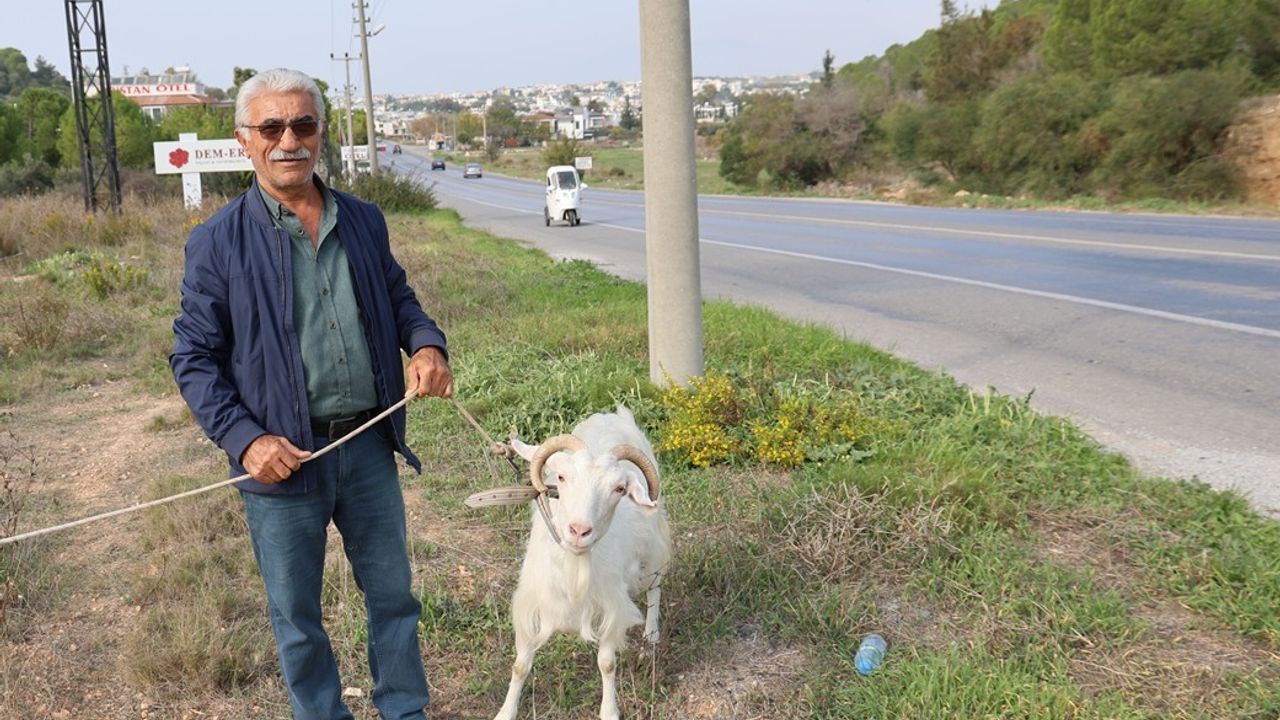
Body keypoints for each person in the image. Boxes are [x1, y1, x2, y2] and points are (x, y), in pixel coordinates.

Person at [170, 67, 452, 720]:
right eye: (271, 127)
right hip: (282, 462)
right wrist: (247, 441)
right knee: (297, 617)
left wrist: (427, 345)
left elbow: (400, 300)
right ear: (245, 139)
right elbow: (193, 358)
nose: (289, 140)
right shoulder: (216, 241)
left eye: (302, 124)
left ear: (320, 132)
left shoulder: (363, 220)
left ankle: (405, 710)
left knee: (394, 599)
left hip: (369, 447)